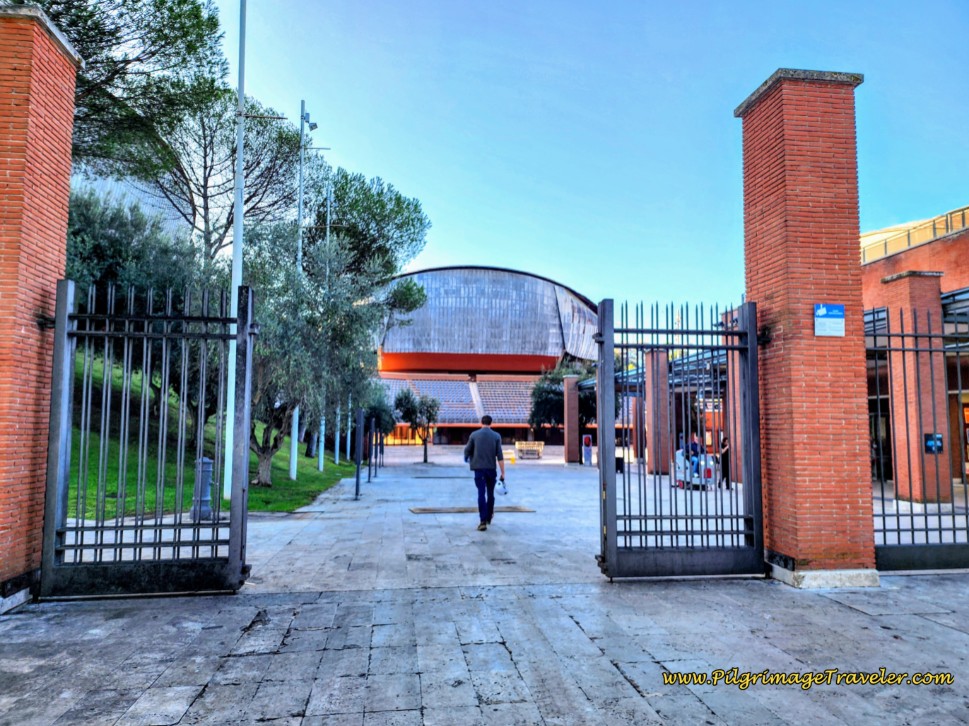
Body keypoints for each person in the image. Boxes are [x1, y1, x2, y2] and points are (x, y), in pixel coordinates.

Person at [463, 415, 506, 531]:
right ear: (491, 423)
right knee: (490, 494)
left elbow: (467, 450)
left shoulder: (474, 435)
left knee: (481, 494)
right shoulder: (496, 436)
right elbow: (500, 456)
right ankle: (489, 517)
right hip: (491, 470)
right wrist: (503, 473)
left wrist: (466, 457)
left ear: (481, 422)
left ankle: (482, 521)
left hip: (479, 470)